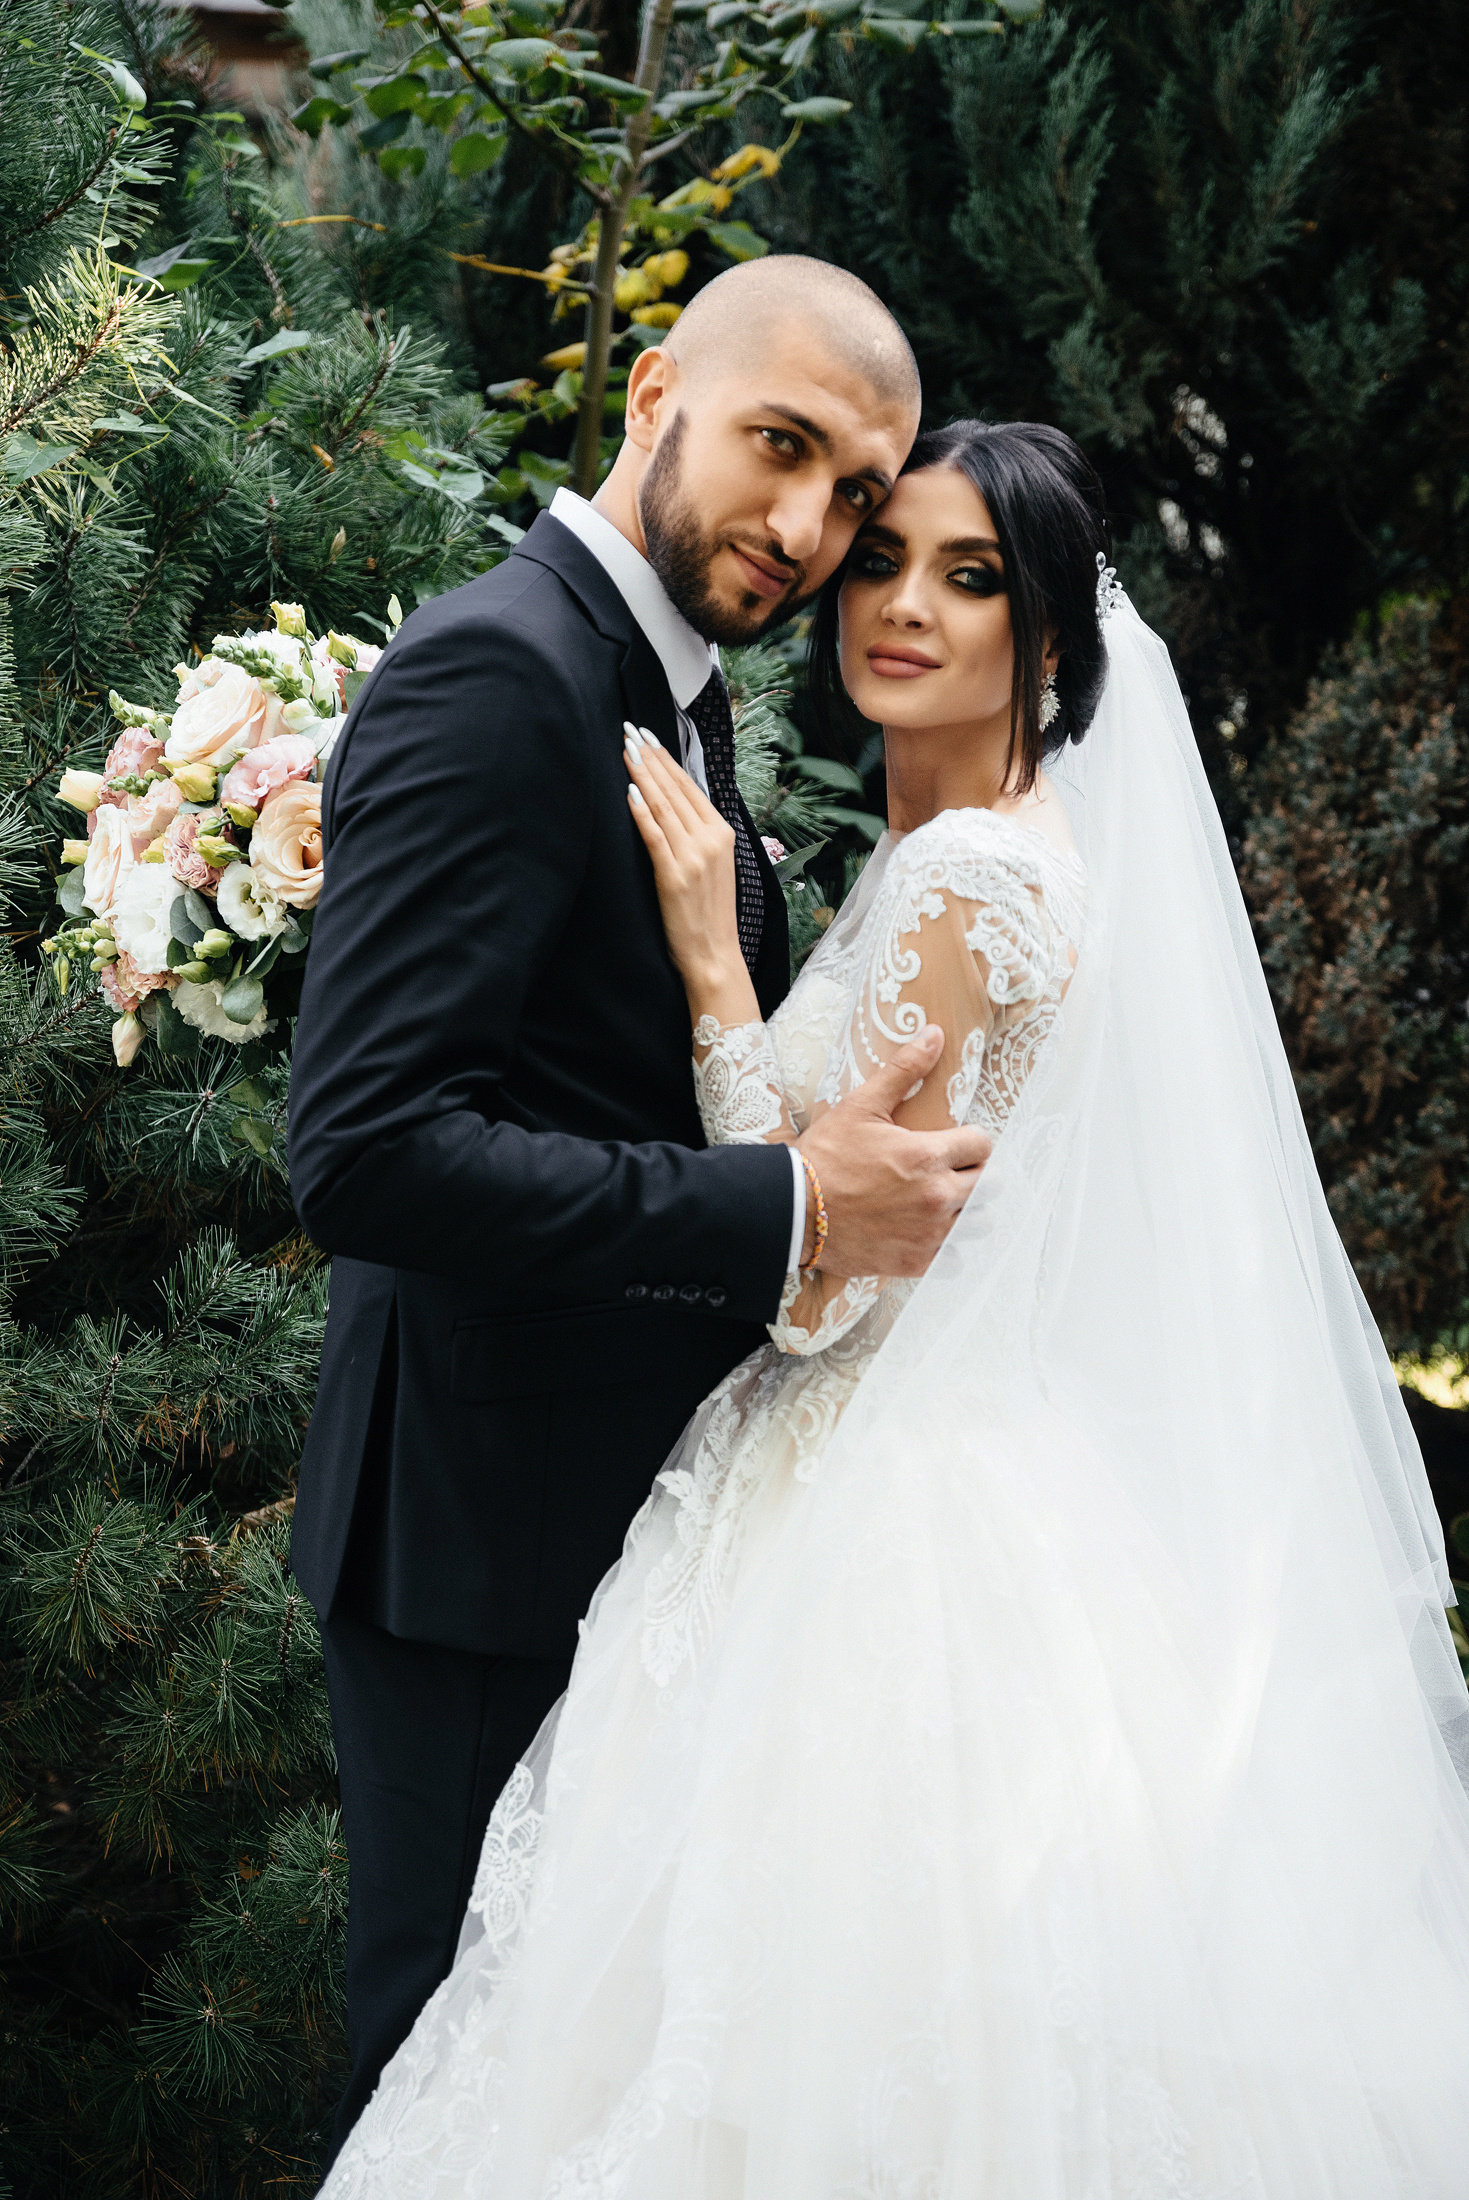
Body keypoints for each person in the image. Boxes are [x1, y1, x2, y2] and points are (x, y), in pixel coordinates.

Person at [319, 418, 1469, 2196]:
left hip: (868, 1505)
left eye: (969, 577)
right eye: (880, 562)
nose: (902, 605)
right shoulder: (977, 850)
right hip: (965, 1465)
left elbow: (821, 1288)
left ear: (1051, 638)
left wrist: (715, 969)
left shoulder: (967, 879)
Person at [285, 257, 995, 2162]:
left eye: (855, 493)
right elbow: (365, 1148)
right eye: (781, 448)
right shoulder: (503, 671)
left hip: (618, 1526)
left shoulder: (669, 692)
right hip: (478, 1540)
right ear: (656, 390)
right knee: (448, 2095)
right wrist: (783, 1204)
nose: (808, 529)